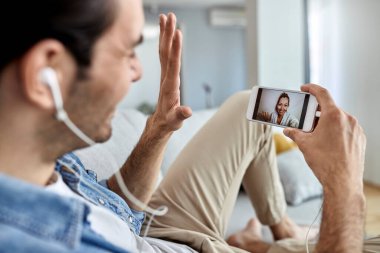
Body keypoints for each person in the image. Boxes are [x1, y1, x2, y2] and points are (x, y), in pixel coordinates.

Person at [0, 1, 376, 253]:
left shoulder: (42, 164)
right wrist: (344, 186)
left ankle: (274, 232)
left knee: (249, 104)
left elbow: (112, 203)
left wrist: (159, 128)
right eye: (127, 52)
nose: (138, 71)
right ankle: (257, 244)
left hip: (149, 227)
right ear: (45, 74)